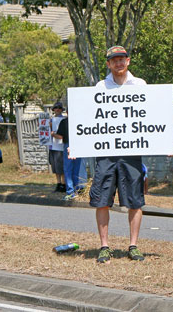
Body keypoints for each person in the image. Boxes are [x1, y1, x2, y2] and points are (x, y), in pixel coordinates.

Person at [89, 45, 148, 263]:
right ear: (108, 64)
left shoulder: (140, 85)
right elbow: (90, 119)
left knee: (135, 201)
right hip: (106, 152)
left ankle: (133, 245)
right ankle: (104, 246)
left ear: (128, 61)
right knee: (102, 200)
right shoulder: (100, 86)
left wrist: (167, 144)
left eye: (122, 59)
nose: (118, 63)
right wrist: (76, 145)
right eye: (114, 60)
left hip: (132, 151)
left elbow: (151, 116)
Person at [53, 113, 83, 201]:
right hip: (78, 145)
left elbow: (60, 136)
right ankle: (77, 189)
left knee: (68, 168)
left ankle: (70, 191)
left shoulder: (64, 121)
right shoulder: (79, 120)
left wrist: (53, 134)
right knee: (77, 168)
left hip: (68, 145)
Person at [49, 102, 66, 192]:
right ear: (53, 109)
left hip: (60, 146)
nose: (57, 109)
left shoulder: (64, 119)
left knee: (61, 167)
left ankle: (63, 184)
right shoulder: (51, 120)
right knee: (55, 167)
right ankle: (58, 183)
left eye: (59, 108)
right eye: (56, 108)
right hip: (52, 146)